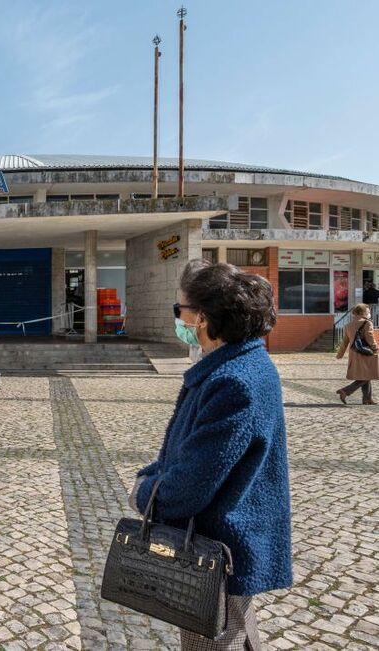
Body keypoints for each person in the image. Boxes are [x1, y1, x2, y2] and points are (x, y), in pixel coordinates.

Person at [129, 260, 291, 650]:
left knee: (214, 640)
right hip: (230, 540)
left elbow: (192, 483)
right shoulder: (237, 366)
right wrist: (154, 473)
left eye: (179, 310)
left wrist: (144, 492)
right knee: (236, 629)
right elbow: (184, 451)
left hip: (221, 547)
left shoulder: (233, 381)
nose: (178, 318)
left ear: (201, 318)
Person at [335, 303, 378, 405]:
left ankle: (367, 399)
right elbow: (370, 337)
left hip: (354, 354)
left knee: (365, 374)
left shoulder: (348, 325)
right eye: (367, 311)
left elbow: (345, 342)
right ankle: (346, 391)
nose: (369, 313)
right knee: (368, 374)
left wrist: (339, 354)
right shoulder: (367, 323)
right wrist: (376, 348)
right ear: (362, 312)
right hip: (366, 353)